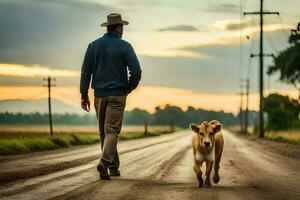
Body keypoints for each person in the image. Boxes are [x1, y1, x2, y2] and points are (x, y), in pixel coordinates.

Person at [80, 13, 142, 180]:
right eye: (122, 28)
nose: (123, 31)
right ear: (118, 28)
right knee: (112, 131)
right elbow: (136, 72)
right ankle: (105, 163)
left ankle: (113, 168)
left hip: (99, 95)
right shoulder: (125, 46)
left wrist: (84, 95)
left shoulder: (93, 46)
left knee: (104, 132)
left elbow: (86, 72)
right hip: (117, 95)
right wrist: (128, 88)